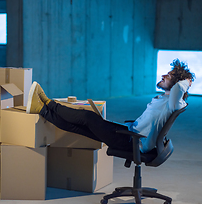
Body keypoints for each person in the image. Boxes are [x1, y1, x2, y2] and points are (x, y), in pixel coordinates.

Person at [26, 59, 195, 153]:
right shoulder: (163, 99)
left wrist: (187, 80)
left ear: (177, 83)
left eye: (170, 75)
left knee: (87, 117)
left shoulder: (175, 102)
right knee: (79, 127)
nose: (164, 75)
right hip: (129, 133)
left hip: (133, 142)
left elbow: (179, 88)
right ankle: (41, 110)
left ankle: (48, 103)